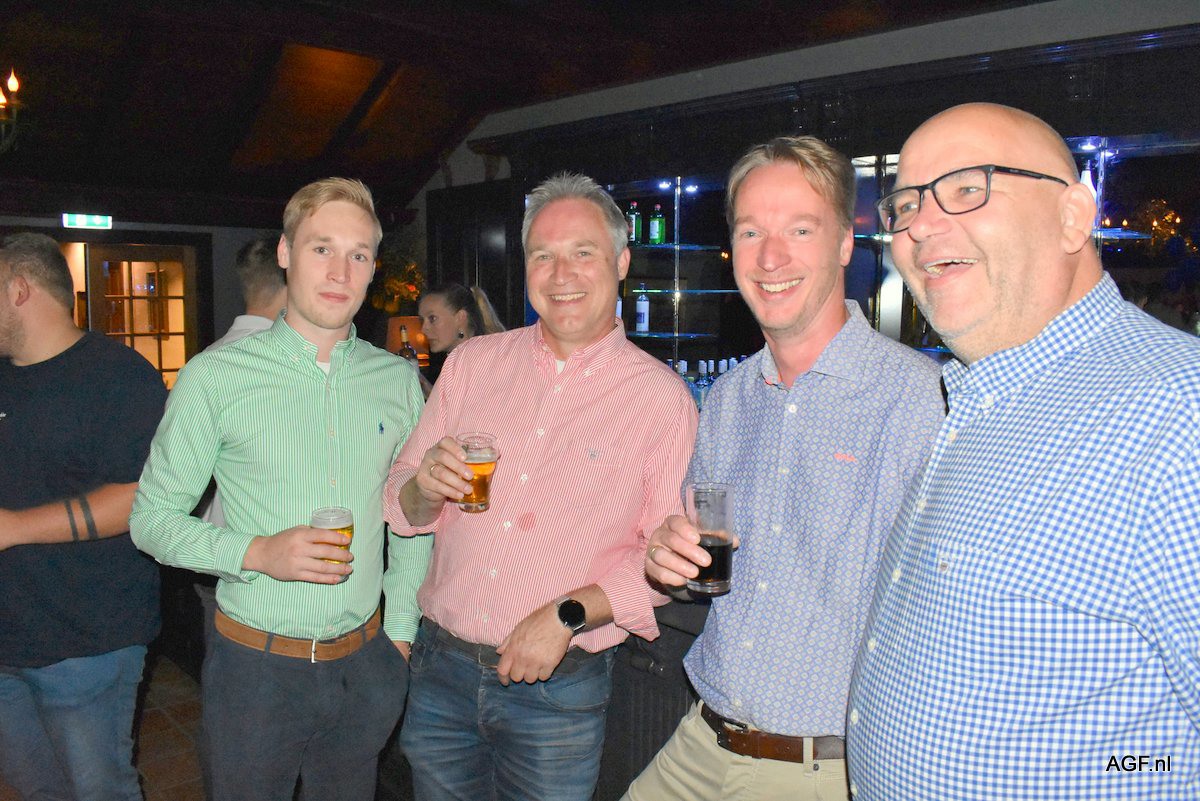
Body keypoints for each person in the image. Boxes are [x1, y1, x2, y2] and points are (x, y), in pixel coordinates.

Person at [846, 103, 1200, 801]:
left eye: (967, 187)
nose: (920, 225)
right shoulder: (981, 397)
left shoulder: (1177, 417)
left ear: (1074, 217)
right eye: (906, 204)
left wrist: (1136, 775)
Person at [624, 137, 945, 801]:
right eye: (751, 232)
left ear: (845, 243)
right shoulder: (728, 398)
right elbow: (707, 578)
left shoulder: (918, 398)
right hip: (702, 738)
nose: (770, 258)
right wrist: (668, 559)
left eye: (800, 229)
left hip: (822, 770)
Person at [384, 172, 698, 801]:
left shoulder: (663, 402)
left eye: (583, 252)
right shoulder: (472, 365)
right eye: (543, 255)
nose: (561, 275)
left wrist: (566, 614)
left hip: (560, 687)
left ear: (621, 263)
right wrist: (425, 487)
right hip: (440, 668)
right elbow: (400, 499)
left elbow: (665, 563)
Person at [130, 178, 429, 801]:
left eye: (358, 254)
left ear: (373, 268)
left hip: (365, 665)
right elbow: (151, 521)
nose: (340, 272)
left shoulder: (397, 381)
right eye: (322, 249)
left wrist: (399, 636)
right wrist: (258, 552)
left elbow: (411, 518)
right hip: (256, 672)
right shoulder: (215, 378)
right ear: (287, 253)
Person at [0, 232, 167, 801]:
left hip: (87, 643)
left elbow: (140, 499)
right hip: (7, 639)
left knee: (99, 791)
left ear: (19, 289)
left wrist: (13, 528)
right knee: (36, 790)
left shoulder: (119, 376)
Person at [417, 283, 505, 385]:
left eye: (432, 318)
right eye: (422, 320)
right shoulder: (462, 361)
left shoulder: (479, 362)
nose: (424, 329)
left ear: (460, 317)